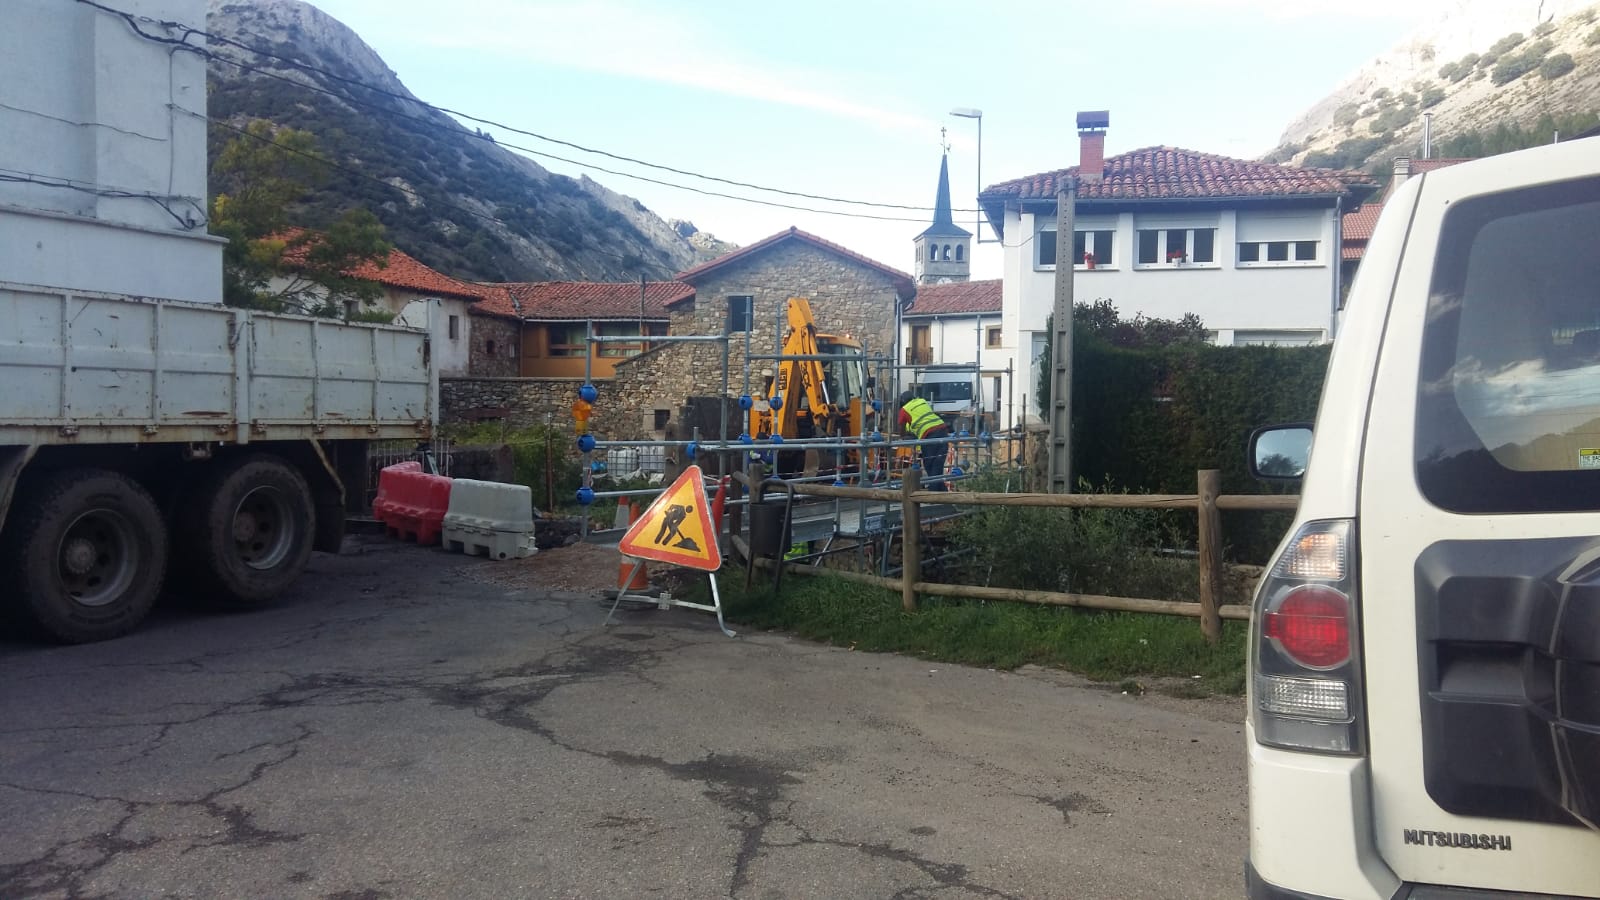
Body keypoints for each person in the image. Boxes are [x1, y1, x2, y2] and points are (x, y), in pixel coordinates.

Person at [897, 390, 950, 490]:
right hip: (943, 431)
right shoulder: (922, 401)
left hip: (930, 435)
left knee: (930, 464)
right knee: (937, 464)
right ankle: (942, 492)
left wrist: (902, 437)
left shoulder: (904, 410)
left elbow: (901, 428)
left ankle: (934, 492)